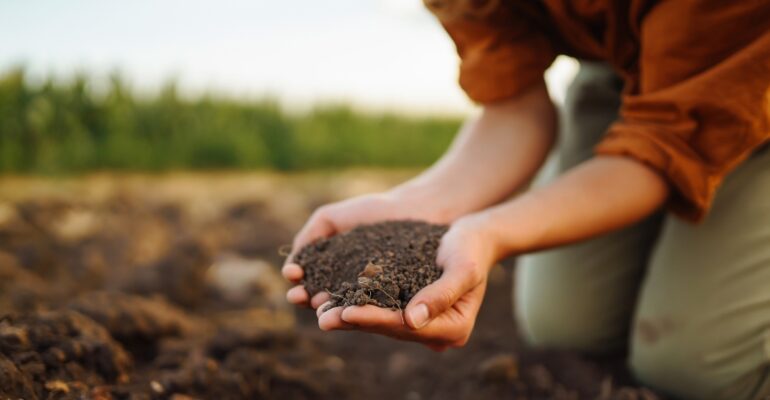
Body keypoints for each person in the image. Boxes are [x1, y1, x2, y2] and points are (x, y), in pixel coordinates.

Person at [282, 1, 770, 398]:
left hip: (750, 73)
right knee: (565, 326)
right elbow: (515, 107)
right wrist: (427, 206)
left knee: (694, 369)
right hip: (622, 69)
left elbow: (662, 147)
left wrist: (492, 232)